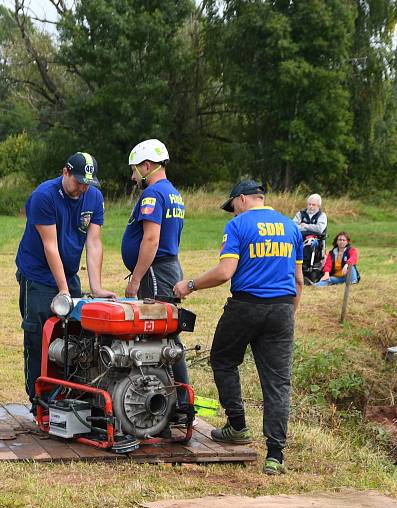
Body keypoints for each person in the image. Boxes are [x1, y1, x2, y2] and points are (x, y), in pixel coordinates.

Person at [173, 180, 303, 476]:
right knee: (278, 382)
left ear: (242, 199)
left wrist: (189, 285)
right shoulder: (291, 227)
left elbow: (225, 272)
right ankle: (275, 455)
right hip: (282, 308)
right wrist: (288, 314)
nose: (232, 213)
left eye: (232, 207)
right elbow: (298, 280)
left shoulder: (239, 226)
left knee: (223, 360)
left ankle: (238, 425)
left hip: (245, 306)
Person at [15, 152, 117, 409]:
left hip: (69, 273)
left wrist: (96, 287)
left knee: (75, 336)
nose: (83, 188)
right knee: (40, 336)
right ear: (65, 172)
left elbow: (93, 243)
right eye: (79, 181)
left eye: (88, 183)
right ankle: (39, 398)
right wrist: (62, 291)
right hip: (37, 275)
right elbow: (50, 246)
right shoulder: (43, 197)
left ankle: (71, 392)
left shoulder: (93, 197)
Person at [120, 139, 190, 414]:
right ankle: (179, 402)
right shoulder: (173, 192)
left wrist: (136, 280)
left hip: (156, 272)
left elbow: (151, 240)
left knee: (159, 338)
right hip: (168, 267)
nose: (133, 176)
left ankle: (174, 405)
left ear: (147, 166)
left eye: (135, 170)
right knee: (169, 335)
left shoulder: (152, 195)